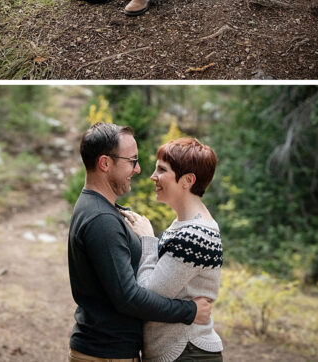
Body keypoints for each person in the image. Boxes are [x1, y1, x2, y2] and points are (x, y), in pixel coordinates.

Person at [68, 122, 213, 362]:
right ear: (105, 163)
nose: (138, 170)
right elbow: (128, 298)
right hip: (105, 354)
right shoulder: (101, 218)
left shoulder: (98, 208)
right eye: (132, 161)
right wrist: (190, 311)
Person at [121, 137, 224, 362]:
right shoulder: (185, 225)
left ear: (187, 180)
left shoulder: (195, 235)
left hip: (186, 352)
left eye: (162, 170)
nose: (152, 176)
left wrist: (148, 239)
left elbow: (148, 296)